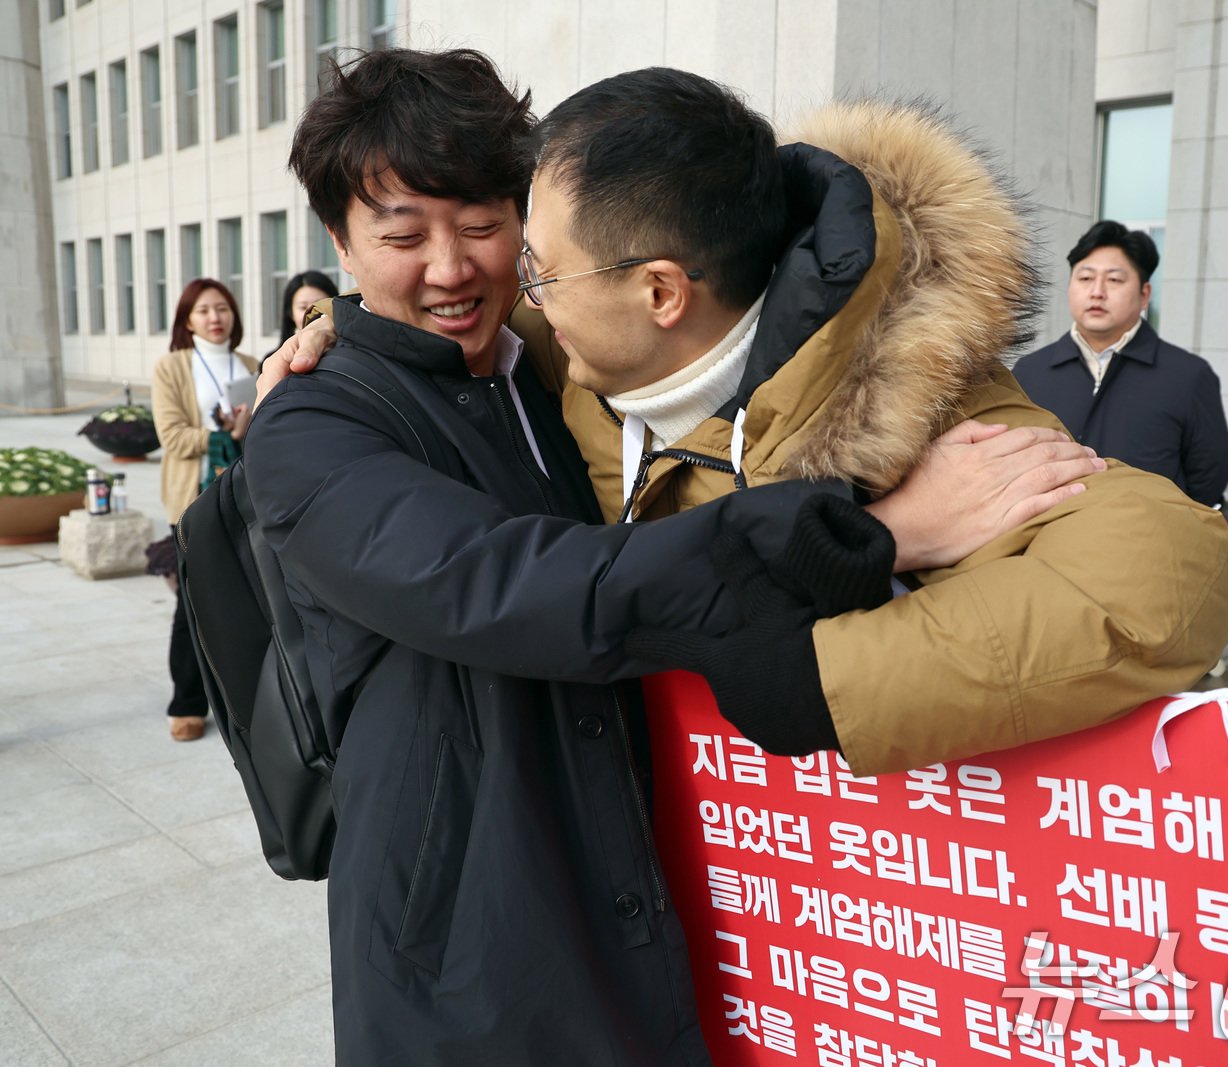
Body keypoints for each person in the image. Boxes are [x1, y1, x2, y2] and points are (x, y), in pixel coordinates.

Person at [244, 48, 1060, 1065]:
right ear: (339, 239)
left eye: (485, 227)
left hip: (627, 862)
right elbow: (510, 585)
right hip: (461, 929)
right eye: (401, 235)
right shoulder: (310, 424)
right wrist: (880, 530)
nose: (450, 268)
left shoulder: (549, 365)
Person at [274, 69, 1228, 778]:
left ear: (660, 291)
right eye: (403, 240)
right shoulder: (559, 354)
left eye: (529, 262)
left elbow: (1162, 576)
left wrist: (805, 676)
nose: (488, 283)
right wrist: (341, 333)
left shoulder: (907, 383)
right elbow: (494, 572)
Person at [1013, 220, 1228, 507]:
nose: (1097, 292)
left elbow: (1207, 482)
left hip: (1147, 543)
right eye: (1085, 278)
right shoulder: (1029, 372)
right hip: (1045, 543)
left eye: (1115, 280)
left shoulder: (1188, 376)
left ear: (1144, 295)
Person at [151, 279, 256, 741]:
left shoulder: (251, 365)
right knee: (190, 604)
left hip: (244, 496)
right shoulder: (172, 367)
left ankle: (248, 701)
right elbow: (172, 436)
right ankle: (187, 702)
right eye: (204, 311)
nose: (216, 318)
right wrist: (227, 434)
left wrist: (248, 429)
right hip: (192, 500)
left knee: (248, 600)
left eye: (223, 309)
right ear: (187, 320)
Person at [268, 270, 338, 356]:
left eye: (319, 305)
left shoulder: (350, 352)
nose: (311, 313)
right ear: (291, 313)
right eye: (303, 307)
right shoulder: (274, 361)